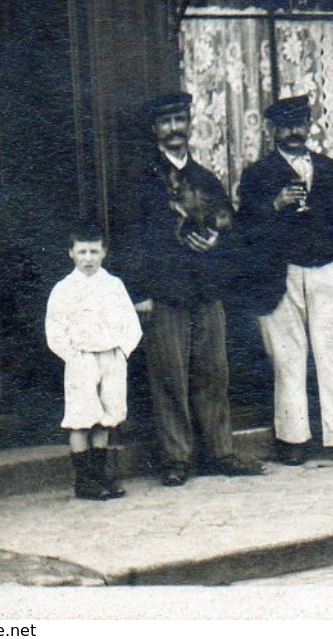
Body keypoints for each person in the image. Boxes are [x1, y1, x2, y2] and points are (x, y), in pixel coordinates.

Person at [123, 92, 264, 487]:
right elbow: (131, 239)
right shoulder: (141, 182)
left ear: (189, 124)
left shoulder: (206, 178)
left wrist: (217, 241)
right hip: (165, 292)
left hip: (206, 290)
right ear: (155, 130)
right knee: (170, 376)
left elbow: (230, 226)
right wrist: (140, 292)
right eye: (166, 122)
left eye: (180, 120)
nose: (174, 129)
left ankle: (220, 450)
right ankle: (177, 458)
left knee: (213, 373)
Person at [236, 95, 333, 465]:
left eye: (300, 124)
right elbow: (242, 230)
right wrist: (275, 205)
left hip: (326, 269)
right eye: (286, 126)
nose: (294, 133)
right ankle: (293, 439)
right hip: (280, 273)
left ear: (309, 126)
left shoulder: (327, 167)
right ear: (273, 130)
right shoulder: (258, 174)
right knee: (288, 358)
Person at [45, 225, 142, 501]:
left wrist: (122, 351)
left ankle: (101, 475)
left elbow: (130, 324)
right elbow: (55, 330)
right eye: (82, 252)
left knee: (105, 417)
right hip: (82, 359)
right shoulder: (64, 289)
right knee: (81, 418)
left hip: (111, 357)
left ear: (104, 253)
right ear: (71, 254)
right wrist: (73, 357)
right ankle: (84, 481)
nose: (88, 258)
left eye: (94, 251)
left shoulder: (114, 285)